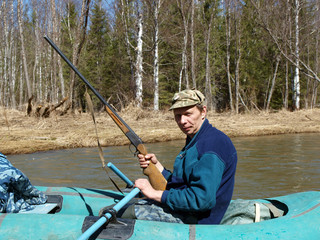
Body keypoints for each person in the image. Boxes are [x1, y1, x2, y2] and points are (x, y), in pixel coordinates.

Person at [101, 89, 237, 224]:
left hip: (199, 220)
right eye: (178, 116)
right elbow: (182, 183)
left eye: (188, 114)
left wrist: (153, 193)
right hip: (189, 211)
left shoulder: (212, 145)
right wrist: (158, 167)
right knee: (122, 202)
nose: (182, 121)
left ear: (203, 112)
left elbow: (200, 200)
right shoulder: (197, 139)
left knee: (117, 213)